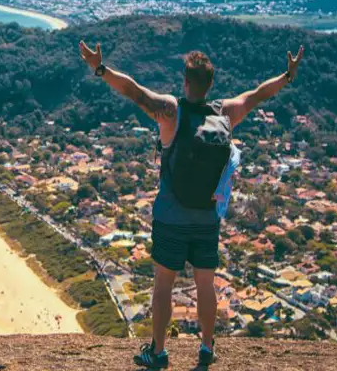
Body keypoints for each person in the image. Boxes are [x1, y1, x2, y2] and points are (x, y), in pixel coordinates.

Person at [78, 41, 304, 368]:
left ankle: (157, 352)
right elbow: (258, 94)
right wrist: (288, 75)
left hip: (171, 215)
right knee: (205, 285)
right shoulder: (225, 114)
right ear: (210, 84)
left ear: (185, 81)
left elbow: (134, 91)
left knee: (163, 286)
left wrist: (100, 69)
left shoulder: (171, 111)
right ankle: (207, 348)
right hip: (207, 218)